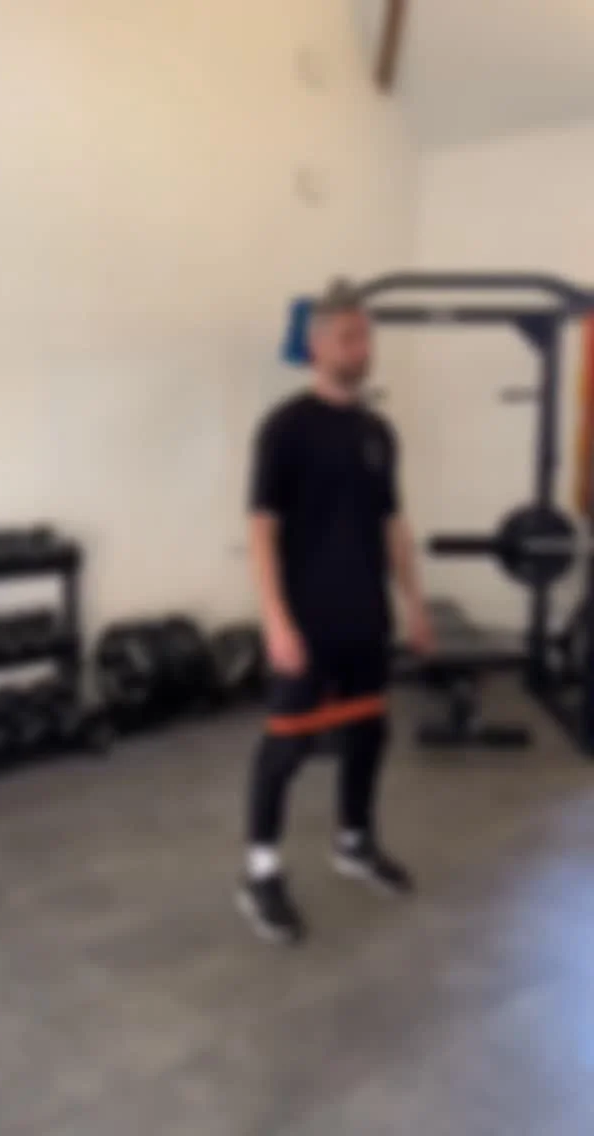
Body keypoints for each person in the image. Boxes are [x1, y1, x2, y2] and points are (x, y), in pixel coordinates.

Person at [238, 279, 433, 944]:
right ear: (318, 346)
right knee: (286, 747)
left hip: (365, 616)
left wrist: (414, 603)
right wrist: (275, 620)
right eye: (350, 337)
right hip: (308, 619)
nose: (362, 348)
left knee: (368, 734)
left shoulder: (378, 432)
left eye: (367, 336)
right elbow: (261, 530)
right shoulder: (285, 429)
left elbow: (393, 526)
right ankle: (260, 873)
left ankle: (354, 842)